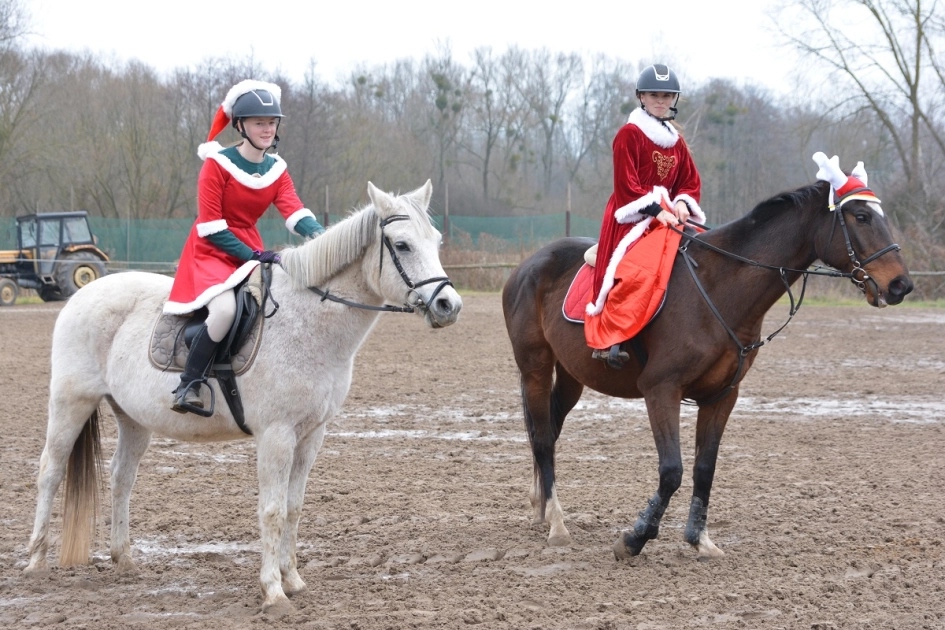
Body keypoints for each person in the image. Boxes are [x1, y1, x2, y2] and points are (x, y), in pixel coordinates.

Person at [163, 79, 325, 413]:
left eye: (272, 123)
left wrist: (326, 240)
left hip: (250, 248)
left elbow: (295, 211)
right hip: (211, 250)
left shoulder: (277, 169)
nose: (267, 129)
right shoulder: (217, 165)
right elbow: (211, 226)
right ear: (240, 125)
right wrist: (253, 255)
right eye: (259, 123)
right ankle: (189, 384)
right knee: (224, 310)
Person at [585, 64, 705, 367]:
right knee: (635, 269)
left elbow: (689, 181)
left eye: (666, 96)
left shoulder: (676, 141)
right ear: (641, 96)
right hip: (631, 215)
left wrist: (681, 203)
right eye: (654, 95)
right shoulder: (629, 135)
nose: (660, 101)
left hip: (667, 216)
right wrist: (655, 210)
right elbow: (627, 186)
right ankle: (613, 338)